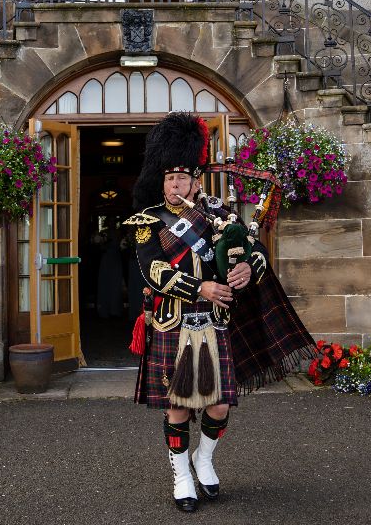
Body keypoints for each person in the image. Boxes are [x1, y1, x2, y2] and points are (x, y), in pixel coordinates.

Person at [126, 113, 314, 512]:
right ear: (161, 181)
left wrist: (250, 269)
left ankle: (204, 459)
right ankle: (180, 476)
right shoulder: (147, 222)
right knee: (177, 406)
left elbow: (254, 249)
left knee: (220, 404)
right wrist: (202, 287)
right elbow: (154, 271)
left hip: (215, 323)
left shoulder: (221, 214)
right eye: (169, 179)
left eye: (183, 178)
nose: (176, 186)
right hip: (173, 323)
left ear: (197, 179)